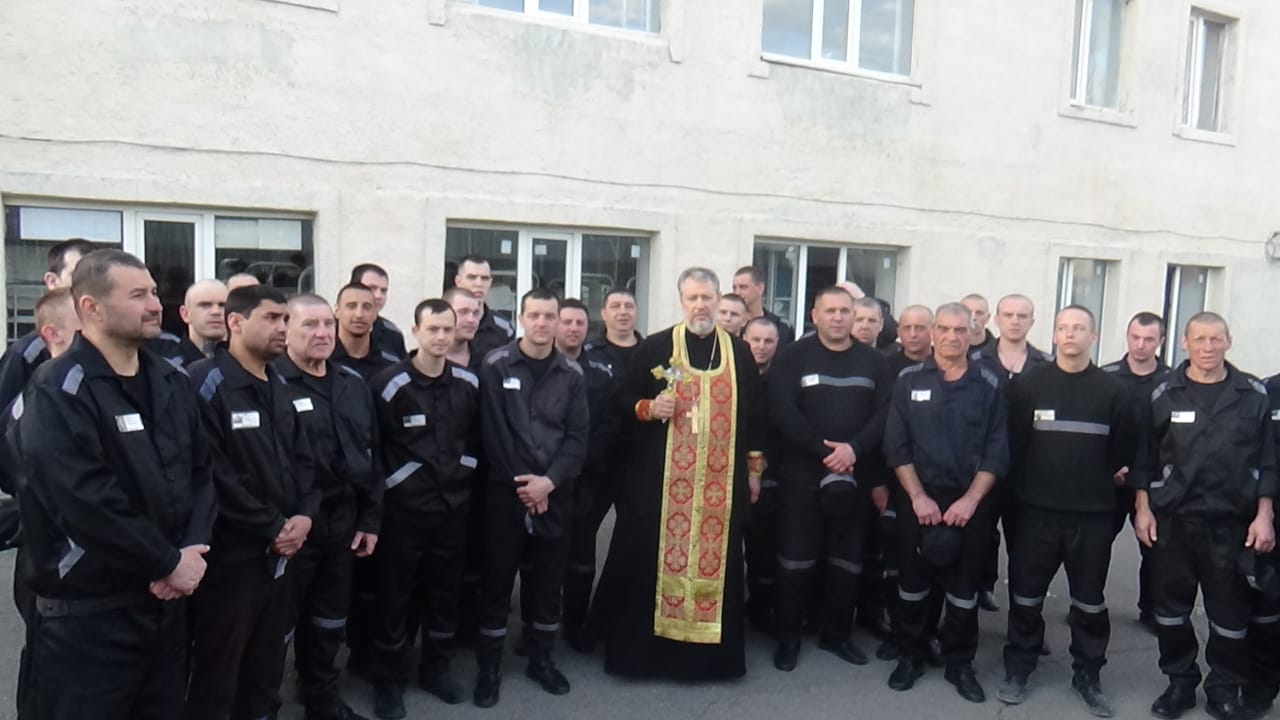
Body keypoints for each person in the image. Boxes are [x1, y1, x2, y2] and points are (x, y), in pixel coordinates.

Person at [14, 248, 215, 719]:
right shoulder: (58, 388)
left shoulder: (171, 380)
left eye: (154, 292)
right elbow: (84, 500)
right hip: (89, 620)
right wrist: (167, 562)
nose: (156, 305)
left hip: (165, 611)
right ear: (92, 308)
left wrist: (192, 548)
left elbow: (201, 473)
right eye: (138, 295)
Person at [592, 267, 764, 681]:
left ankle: (710, 662)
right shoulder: (655, 347)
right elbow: (621, 401)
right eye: (693, 298)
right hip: (661, 484)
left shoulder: (739, 353)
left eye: (707, 297)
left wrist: (754, 471)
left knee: (720, 566)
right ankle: (646, 658)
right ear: (681, 300)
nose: (700, 306)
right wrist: (649, 408)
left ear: (718, 298)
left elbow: (757, 416)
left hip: (720, 489)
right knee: (648, 563)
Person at [1130, 312, 1275, 720]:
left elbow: (1268, 461)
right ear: (1184, 343)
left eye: (1215, 339)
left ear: (1229, 341)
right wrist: (1142, 509)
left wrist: (1264, 515)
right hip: (1173, 520)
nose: (1207, 347)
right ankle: (1180, 683)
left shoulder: (1253, 393)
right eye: (1199, 339)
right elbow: (1143, 458)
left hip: (1232, 523)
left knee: (1229, 616)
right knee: (1170, 611)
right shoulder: (1163, 393)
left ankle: (1223, 689)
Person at [186, 285, 319, 720]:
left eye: (285, 319)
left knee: (267, 663)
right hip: (231, 560)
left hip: (282, 553)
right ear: (236, 323)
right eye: (272, 318)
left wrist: (304, 516)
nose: (283, 327)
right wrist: (271, 526)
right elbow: (212, 475)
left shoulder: (279, 383)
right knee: (219, 669)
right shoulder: (205, 383)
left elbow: (304, 460)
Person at [996, 306, 1135, 716]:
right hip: (1036, 514)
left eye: (1079, 328)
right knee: (1025, 598)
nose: (1070, 334)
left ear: (1094, 336)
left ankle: (1087, 675)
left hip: (1091, 517)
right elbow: (1013, 446)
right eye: (1063, 328)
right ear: (1054, 335)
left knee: (1089, 603)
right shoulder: (1029, 385)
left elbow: (1122, 453)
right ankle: (1019, 668)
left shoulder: (1113, 391)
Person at [882, 302, 1008, 703]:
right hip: (918, 499)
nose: (952, 337)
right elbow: (896, 445)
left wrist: (970, 501)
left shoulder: (989, 383)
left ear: (973, 334)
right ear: (933, 332)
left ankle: (960, 663)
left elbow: (997, 449)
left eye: (961, 330)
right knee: (912, 585)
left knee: (964, 589)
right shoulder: (908, 380)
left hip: (970, 502)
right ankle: (910, 655)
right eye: (945, 329)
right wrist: (918, 497)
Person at [473, 288, 588, 707]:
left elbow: (577, 438)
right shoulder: (496, 364)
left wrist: (548, 482)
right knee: (497, 582)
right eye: (534, 315)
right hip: (506, 494)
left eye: (549, 316)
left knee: (547, 583)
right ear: (521, 318)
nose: (542, 323)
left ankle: (541, 660)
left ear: (558, 321)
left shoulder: (572, 374)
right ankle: (488, 668)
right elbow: (492, 433)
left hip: (554, 495)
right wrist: (526, 487)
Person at [768, 286, 891, 671]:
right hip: (802, 476)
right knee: (795, 560)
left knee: (846, 561)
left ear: (854, 315)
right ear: (814, 315)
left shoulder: (875, 362)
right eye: (831, 311)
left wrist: (854, 449)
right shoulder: (792, 357)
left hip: (854, 475)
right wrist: (825, 452)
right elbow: (782, 412)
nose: (838, 317)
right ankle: (788, 637)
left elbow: (885, 413)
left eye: (844, 311)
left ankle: (837, 635)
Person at [367, 299, 480, 718]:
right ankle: (389, 681)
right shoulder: (389, 384)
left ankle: (437, 670)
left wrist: (464, 470)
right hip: (404, 512)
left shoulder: (469, 383)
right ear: (415, 332)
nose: (441, 337)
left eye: (447, 329)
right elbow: (374, 447)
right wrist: (399, 483)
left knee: (444, 594)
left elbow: (477, 439)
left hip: (453, 509)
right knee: (394, 598)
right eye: (432, 329)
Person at [275, 294, 379, 720]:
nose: (322, 333)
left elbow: (373, 453)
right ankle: (263, 703)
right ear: (286, 331)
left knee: (330, 619)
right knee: (278, 625)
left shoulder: (352, 384)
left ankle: (321, 696)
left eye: (326, 325)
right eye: (309, 325)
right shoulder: (273, 383)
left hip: (344, 522)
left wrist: (371, 518)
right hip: (294, 528)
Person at [973, 293, 1053, 613]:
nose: (1015, 321)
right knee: (978, 539)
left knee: (1026, 549)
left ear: (1032, 321)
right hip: (982, 469)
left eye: (1022, 316)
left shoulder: (1047, 366)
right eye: (1008, 315)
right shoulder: (975, 362)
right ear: (997, 319)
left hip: (1029, 471)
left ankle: (1024, 621)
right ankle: (979, 592)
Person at [555, 299, 620, 653]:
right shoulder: (541, 365)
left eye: (580, 323)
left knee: (581, 556)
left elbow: (611, 421)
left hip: (588, 476)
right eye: (566, 322)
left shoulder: (601, 369)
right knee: (543, 557)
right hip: (548, 478)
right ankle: (538, 625)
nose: (573, 328)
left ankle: (575, 623)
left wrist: (580, 460)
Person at [1102, 311, 1170, 631]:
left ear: (1161, 341)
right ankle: (1087, 605)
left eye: (1149, 339)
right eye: (1135, 338)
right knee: (1096, 545)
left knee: (1155, 548)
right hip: (1111, 479)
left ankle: (1151, 610)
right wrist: (1110, 466)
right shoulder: (1106, 378)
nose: (1141, 345)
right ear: (1127, 337)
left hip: (1155, 481)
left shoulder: (1173, 383)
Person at [0, 238, 95, 408]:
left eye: (97, 278)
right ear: (52, 281)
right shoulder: (28, 354)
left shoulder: (114, 342)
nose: (89, 285)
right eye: (78, 276)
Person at [1243, 372, 1280, 719]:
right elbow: (1257, 455)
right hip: (1272, 516)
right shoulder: (1267, 391)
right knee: (1267, 608)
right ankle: (1260, 687)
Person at [742, 316, 781, 631]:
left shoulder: (783, 379)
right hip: (727, 473)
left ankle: (760, 610)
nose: (761, 346)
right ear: (744, 339)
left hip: (772, 475)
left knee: (763, 548)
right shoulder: (731, 376)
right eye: (755, 340)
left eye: (768, 341)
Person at [333, 283, 401, 381]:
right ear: (337, 311)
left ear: (375, 314)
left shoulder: (391, 365)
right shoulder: (322, 362)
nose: (359, 314)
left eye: (367, 307)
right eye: (351, 306)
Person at [455, 255, 514, 362]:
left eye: (484, 278)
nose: (479, 284)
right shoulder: (444, 323)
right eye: (472, 277)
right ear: (458, 281)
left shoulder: (504, 328)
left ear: (490, 282)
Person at [350, 263, 408, 361]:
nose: (379, 296)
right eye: (372, 288)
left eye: (383, 291)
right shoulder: (329, 330)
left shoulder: (392, 334)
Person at [584, 287, 643, 376]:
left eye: (629, 306)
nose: (623, 312)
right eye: (615, 306)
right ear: (603, 313)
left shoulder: (650, 352)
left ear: (636, 312)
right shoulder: (586, 354)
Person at [732, 265, 796, 345]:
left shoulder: (781, 327)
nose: (737, 293)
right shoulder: (730, 325)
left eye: (743, 287)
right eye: (734, 288)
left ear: (760, 288)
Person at [175, 279, 228, 367]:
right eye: (205, 305)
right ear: (185, 314)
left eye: (222, 305)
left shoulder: (245, 362)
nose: (216, 312)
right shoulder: (169, 367)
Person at [444, 287, 484, 370]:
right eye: (463, 312)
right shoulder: (423, 362)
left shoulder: (486, 363)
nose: (471, 320)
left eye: (476, 313)